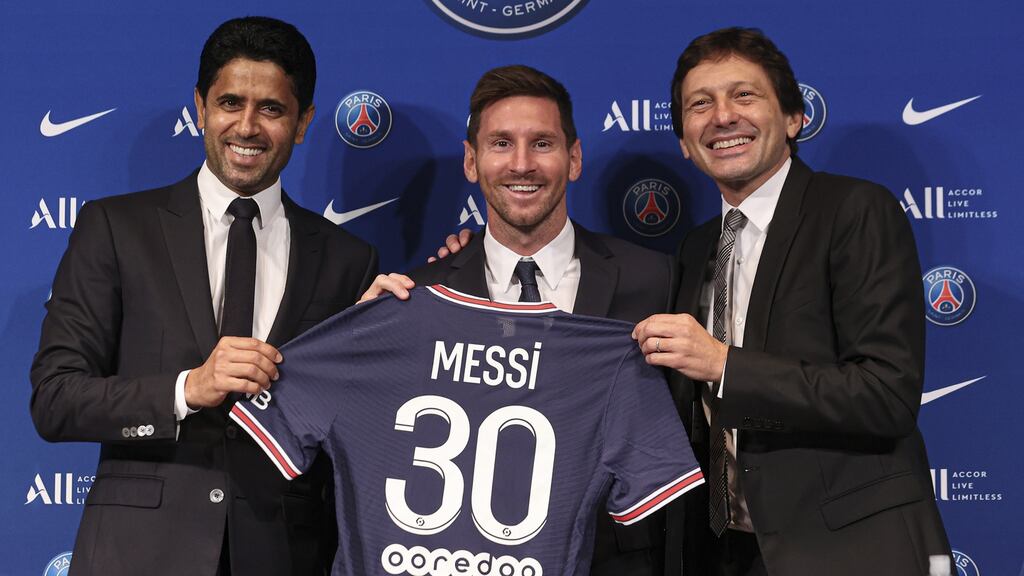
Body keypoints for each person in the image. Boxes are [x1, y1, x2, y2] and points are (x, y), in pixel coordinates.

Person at [30, 16, 377, 576]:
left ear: (305, 121)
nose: (247, 126)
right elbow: (56, 399)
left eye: (272, 108)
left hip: (285, 554)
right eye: (230, 103)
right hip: (138, 555)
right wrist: (188, 388)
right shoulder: (116, 228)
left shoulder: (347, 259)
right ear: (200, 107)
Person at [631, 27, 952, 576]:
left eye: (744, 95)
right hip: (727, 550)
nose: (723, 116)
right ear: (684, 141)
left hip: (849, 549)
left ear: (794, 118)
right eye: (700, 104)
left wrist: (723, 364)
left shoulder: (853, 211)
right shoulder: (696, 246)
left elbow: (886, 394)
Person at [361, 65, 677, 576]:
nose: (522, 164)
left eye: (543, 144)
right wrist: (363, 342)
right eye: (501, 143)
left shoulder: (654, 279)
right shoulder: (416, 297)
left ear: (574, 159)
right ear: (471, 161)